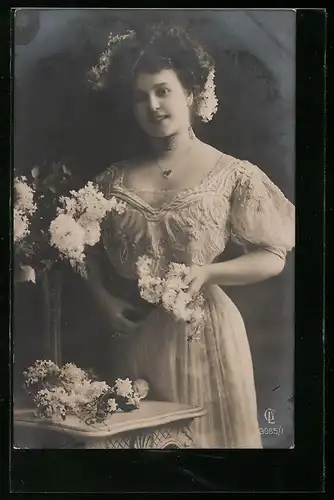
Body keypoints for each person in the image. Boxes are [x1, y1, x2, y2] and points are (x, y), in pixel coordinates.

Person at [84, 23, 295, 448]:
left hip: (209, 338)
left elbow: (273, 255)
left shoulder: (233, 174)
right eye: (140, 97)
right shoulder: (112, 181)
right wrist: (103, 300)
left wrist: (207, 273)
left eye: (163, 90)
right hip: (139, 338)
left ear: (190, 92)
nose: (153, 105)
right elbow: (77, 247)